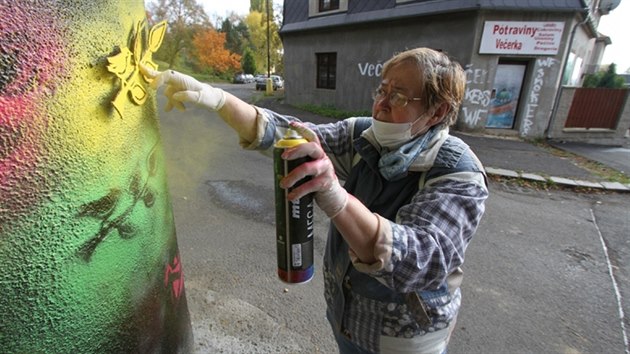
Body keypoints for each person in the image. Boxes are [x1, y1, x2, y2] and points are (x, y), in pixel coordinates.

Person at [142, 47, 488, 354]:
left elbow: (422, 260)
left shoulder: (458, 171)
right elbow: (290, 136)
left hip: (405, 338)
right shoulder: (364, 135)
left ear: (437, 112)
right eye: (382, 89)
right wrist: (217, 99)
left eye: (398, 96)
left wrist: (336, 196)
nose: (381, 104)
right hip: (346, 315)